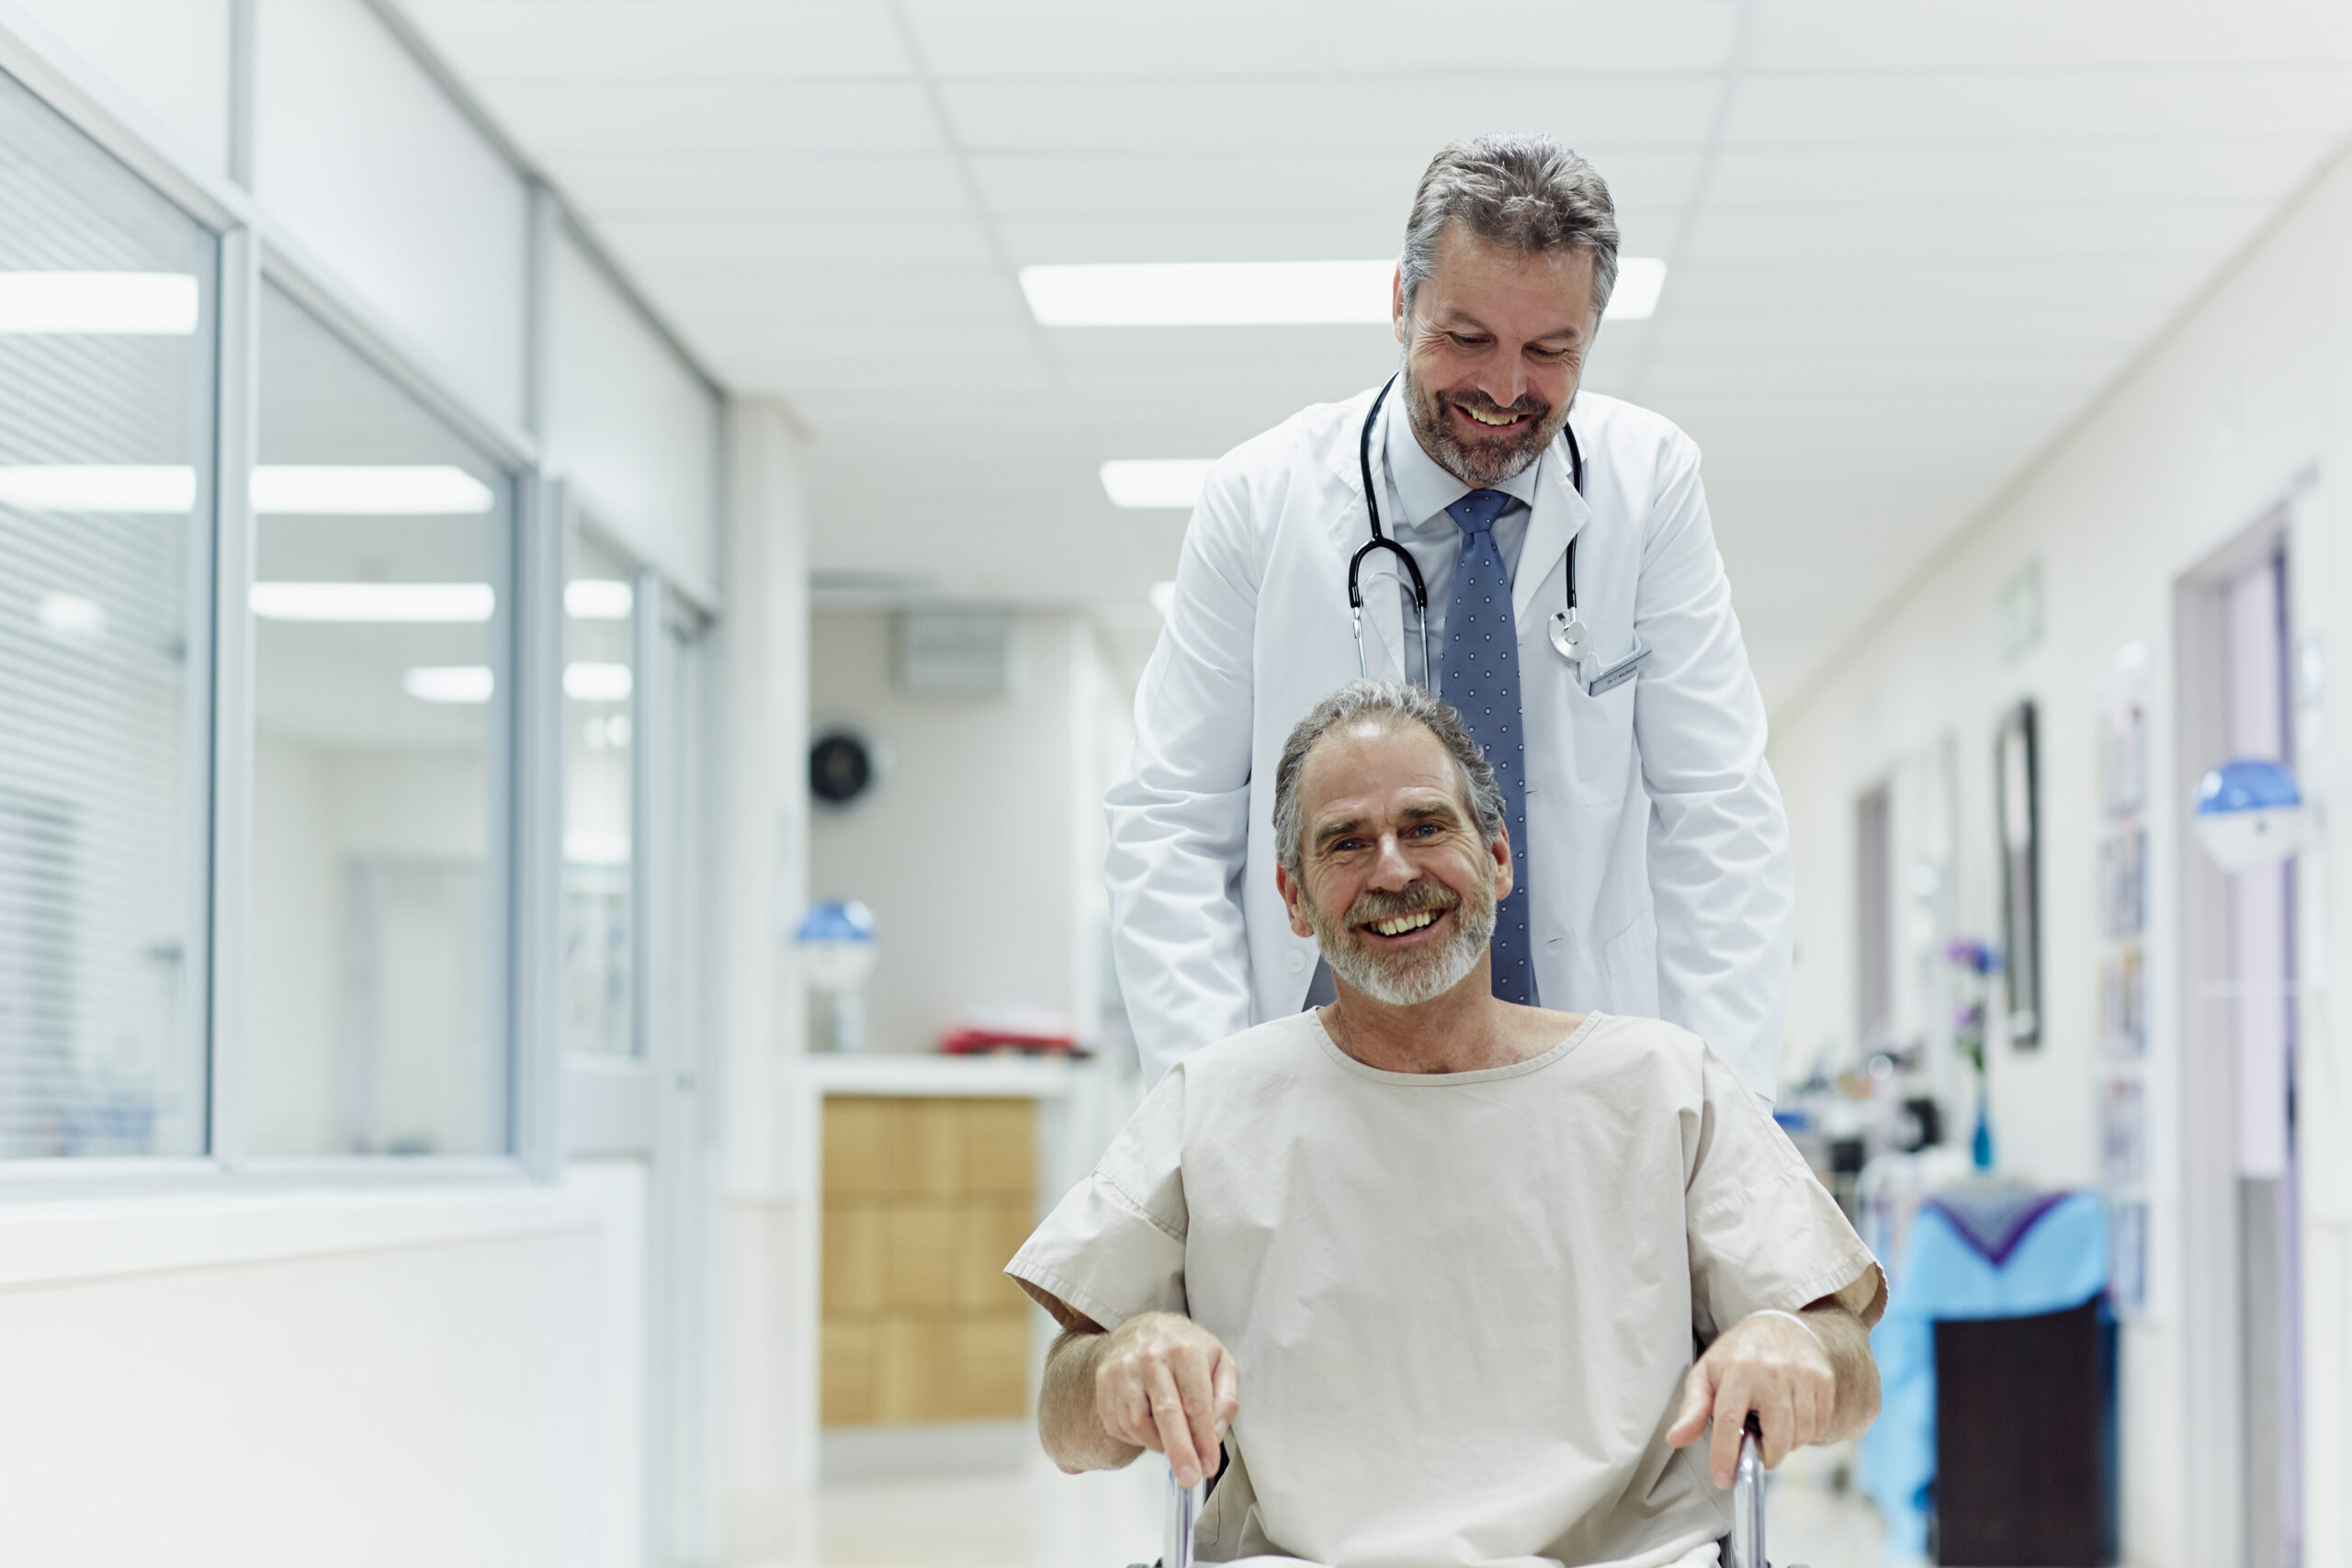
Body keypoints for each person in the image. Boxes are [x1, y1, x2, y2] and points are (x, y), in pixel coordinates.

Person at [1013, 682, 1882, 1568]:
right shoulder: (1217, 1100)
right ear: (1295, 898)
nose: (1392, 870)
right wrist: (1123, 1356)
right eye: (1346, 842)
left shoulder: (1664, 1085)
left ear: (1498, 857)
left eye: (1426, 826)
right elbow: (1065, 1418)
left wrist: (1796, 1342)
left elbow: (1849, 1365)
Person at [1108, 133, 1792, 1100]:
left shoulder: (1649, 486)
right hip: (1315, 1067)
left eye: (1549, 351)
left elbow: (1719, 813)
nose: (1505, 391)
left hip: (1580, 1065)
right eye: (1465, 339)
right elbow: (1170, 820)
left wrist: (1725, 1115)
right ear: (1400, 302)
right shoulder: (1262, 499)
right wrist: (1210, 1098)